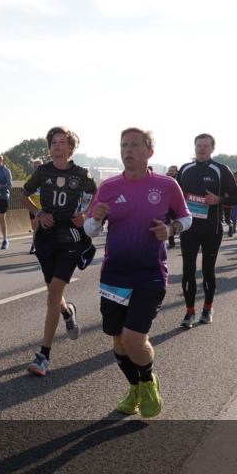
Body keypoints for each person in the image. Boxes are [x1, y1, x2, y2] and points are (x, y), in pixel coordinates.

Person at [84, 128, 191, 418]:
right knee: (118, 340)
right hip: (115, 273)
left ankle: (148, 381)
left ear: (149, 152)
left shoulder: (167, 185)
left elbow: (186, 218)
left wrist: (170, 229)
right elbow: (90, 230)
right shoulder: (107, 187)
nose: (127, 150)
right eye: (123, 145)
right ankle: (135, 387)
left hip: (150, 272)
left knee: (133, 339)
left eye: (134, 145)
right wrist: (95, 219)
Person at [21, 127, 97, 376]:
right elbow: (24, 194)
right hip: (46, 236)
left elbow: (97, 195)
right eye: (53, 142)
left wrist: (85, 214)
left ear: (70, 148)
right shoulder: (42, 171)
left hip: (71, 237)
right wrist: (39, 213)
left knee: (53, 292)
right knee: (53, 292)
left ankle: (44, 355)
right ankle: (68, 311)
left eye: (62, 142)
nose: (57, 145)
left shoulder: (81, 173)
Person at [175, 134, 237, 327]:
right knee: (188, 269)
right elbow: (176, 197)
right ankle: (189, 312)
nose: (201, 149)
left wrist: (219, 200)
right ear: (194, 146)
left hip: (211, 229)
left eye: (205, 146)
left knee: (207, 270)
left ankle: (207, 308)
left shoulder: (221, 170)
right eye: (198, 145)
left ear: (212, 148)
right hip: (189, 228)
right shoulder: (185, 169)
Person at [165, 165, 179, 248]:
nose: (171, 172)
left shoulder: (181, 179)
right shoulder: (165, 180)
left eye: (173, 170)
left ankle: (184, 238)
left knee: (180, 222)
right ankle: (171, 242)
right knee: (168, 223)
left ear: (177, 172)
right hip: (168, 206)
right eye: (170, 170)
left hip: (178, 205)